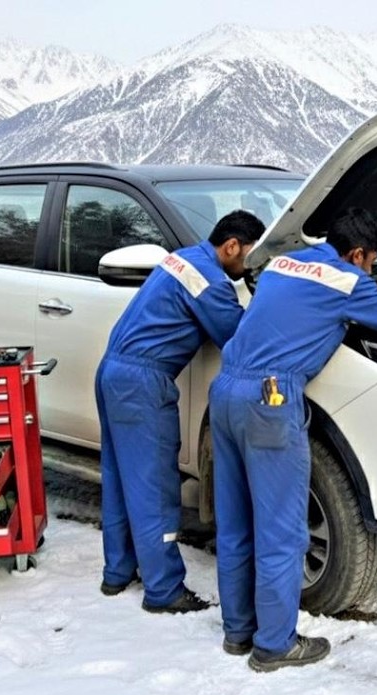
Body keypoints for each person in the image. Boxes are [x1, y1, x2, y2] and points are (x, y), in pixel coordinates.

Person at [209, 207, 377, 672]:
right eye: (371, 263)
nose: (370, 271)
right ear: (357, 254)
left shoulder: (283, 263)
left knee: (237, 520)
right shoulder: (346, 281)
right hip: (271, 396)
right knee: (282, 529)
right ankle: (275, 645)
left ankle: (239, 631)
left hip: (225, 393)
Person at [95, 209, 266, 614]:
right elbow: (238, 340)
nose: (250, 267)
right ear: (231, 247)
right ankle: (164, 590)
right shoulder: (208, 281)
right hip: (144, 382)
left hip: (112, 371)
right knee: (154, 487)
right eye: (250, 258)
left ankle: (117, 572)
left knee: (121, 479)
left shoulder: (184, 257)